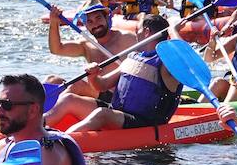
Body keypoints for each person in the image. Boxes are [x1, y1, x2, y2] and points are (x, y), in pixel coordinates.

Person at [45, 14, 182, 132]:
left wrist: (173, 30)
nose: (136, 34)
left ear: (146, 32)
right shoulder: (132, 57)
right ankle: (36, 126)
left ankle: (62, 142)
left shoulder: (167, 63)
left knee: (102, 114)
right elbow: (101, 85)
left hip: (144, 122)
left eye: (138, 30)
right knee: (69, 99)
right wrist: (93, 76)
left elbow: (185, 57)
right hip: (118, 113)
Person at [44, 2, 135, 97]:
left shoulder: (127, 38)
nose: (95, 24)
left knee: (77, 85)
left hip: (117, 94)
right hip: (95, 91)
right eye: (89, 21)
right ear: (85, 25)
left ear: (107, 18)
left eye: (98, 18)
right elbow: (56, 49)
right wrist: (54, 23)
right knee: (52, 80)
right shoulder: (86, 45)